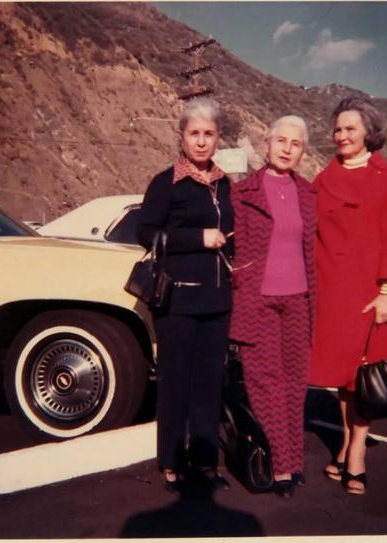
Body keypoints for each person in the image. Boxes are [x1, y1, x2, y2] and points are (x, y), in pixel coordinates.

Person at [309, 96, 387, 495]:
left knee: (366, 372)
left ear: (369, 133)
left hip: (375, 291)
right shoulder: (325, 176)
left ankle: (357, 451)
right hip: (335, 291)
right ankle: (344, 440)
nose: (341, 135)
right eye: (337, 129)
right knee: (343, 375)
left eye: (350, 128)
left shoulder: (386, 177)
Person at [136, 97, 233, 494]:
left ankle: (206, 462)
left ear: (218, 138)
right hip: (177, 301)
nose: (201, 141)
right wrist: (198, 238)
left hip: (217, 301)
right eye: (194, 133)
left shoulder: (226, 184)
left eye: (209, 134)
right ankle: (171, 461)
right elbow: (145, 232)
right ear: (181, 138)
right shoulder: (165, 182)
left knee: (210, 384)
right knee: (175, 382)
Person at [229, 115, 317, 498]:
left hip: (298, 300)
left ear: (302, 152)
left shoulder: (309, 195)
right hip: (258, 301)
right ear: (265, 145)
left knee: (296, 384)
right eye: (280, 140)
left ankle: (293, 463)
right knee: (265, 384)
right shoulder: (242, 192)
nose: (286, 148)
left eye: (295, 144)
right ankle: (280, 467)